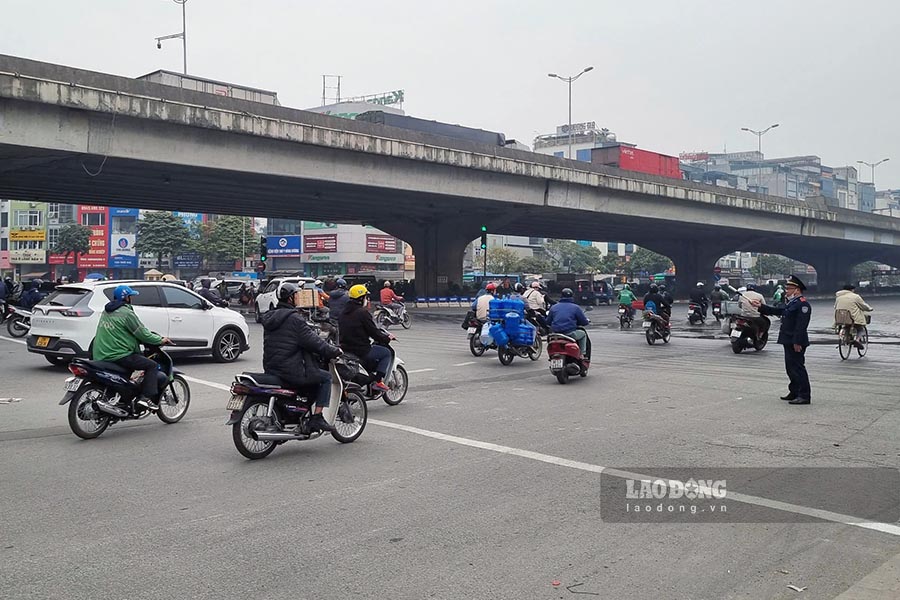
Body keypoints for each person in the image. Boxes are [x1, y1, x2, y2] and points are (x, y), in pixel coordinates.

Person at [261, 282, 342, 432]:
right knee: (325, 378)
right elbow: (315, 343)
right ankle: (317, 418)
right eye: (295, 296)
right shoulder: (295, 319)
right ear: (290, 299)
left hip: (271, 366)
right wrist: (333, 351)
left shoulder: (270, 317)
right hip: (290, 369)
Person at [93, 285, 172, 410]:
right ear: (126, 298)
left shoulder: (107, 311)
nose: (131, 299)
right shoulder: (126, 313)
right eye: (130, 296)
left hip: (100, 353)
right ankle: (145, 398)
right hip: (119, 354)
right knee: (151, 365)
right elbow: (142, 333)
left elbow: (120, 331)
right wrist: (160, 340)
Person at [753, 275, 812, 405]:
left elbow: (801, 326)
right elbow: (780, 311)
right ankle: (794, 392)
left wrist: (797, 342)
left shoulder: (803, 305)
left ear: (797, 290)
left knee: (798, 368)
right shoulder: (792, 303)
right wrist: (761, 306)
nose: (787, 291)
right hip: (787, 339)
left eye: (789, 288)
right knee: (790, 368)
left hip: (795, 341)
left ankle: (804, 395)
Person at [339, 285, 394, 393]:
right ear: (360, 298)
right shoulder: (362, 313)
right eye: (365, 297)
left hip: (345, 348)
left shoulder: (343, 313)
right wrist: (386, 338)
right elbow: (373, 332)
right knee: (386, 353)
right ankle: (378, 381)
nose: (366, 299)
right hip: (361, 349)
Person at [547, 288, 590, 356]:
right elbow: (584, 322)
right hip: (569, 333)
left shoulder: (554, 307)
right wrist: (587, 321)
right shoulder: (576, 308)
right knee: (583, 334)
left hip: (556, 334)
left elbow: (548, 322)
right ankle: (582, 354)